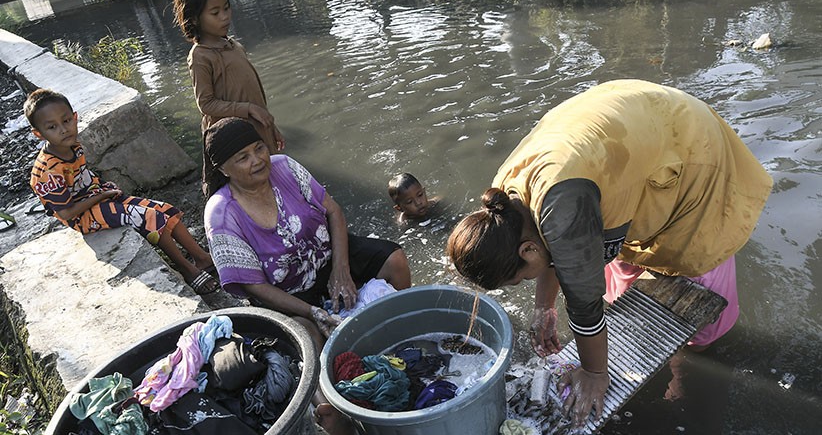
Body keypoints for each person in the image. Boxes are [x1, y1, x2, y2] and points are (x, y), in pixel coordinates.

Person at [445, 79, 772, 427]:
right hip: (624, 135)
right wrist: (544, 305)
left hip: (687, 145)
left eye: (518, 279)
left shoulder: (564, 207)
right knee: (612, 259)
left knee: (695, 279)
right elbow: (551, 241)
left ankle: (692, 361)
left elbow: (584, 302)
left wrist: (595, 373)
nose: (525, 282)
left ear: (526, 250)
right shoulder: (503, 205)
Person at [202, 117, 411, 434]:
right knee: (307, 341)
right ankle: (335, 416)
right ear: (224, 168)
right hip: (284, 290)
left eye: (259, 148)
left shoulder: (284, 167)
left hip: (326, 254)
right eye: (242, 157)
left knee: (394, 260)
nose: (257, 160)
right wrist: (312, 311)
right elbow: (253, 286)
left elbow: (334, 212)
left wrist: (341, 270)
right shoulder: (221, 213)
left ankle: (406, 331)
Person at [25, 89, 219, 295]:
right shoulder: (48, 171)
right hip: (81, 216)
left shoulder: (73, 145)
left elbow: (83, 178)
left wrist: (103, 190)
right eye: (52, 127)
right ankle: (186, 268)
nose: (63, 130)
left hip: (96, 197)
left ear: (75, 117)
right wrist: (102, 195)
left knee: (166, 210)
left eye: (66, 121)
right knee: (147, 217)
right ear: (38, 134)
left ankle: (202, 257)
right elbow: (66, 213)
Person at [172, 0, 285, 196]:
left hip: (257, 130)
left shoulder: (233, 45)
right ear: (194, 18)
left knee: (272, 181)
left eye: (226, 8)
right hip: (234, 141)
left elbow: (254, 95)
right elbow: (206, 104)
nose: (225, 17)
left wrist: (271, 127)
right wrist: (248, 109)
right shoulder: (201, 56)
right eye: (215, 12)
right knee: (248, 188)